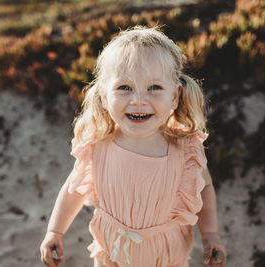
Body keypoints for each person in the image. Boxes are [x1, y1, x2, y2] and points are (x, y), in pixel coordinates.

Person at [40, 26, 226, 267]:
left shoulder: (185, 150)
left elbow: (204, 188)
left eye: (155, 88)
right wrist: (55, 232)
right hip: (112, 256)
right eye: (124, 88)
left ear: (175, 95)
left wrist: (210, 233)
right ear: (105, 96)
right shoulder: (97, 145)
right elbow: (74, 189)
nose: (138, 100)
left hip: (166, 258)